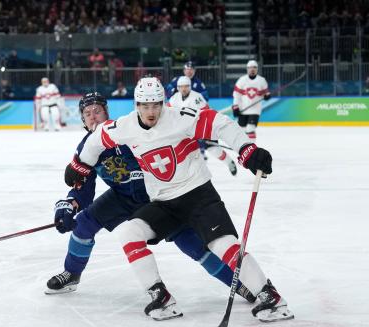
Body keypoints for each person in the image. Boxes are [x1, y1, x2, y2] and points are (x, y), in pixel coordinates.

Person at [65, 77, 293, 323]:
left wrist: (247, 149)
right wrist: (79, 165)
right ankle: (160, 296)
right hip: (163, 203)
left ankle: (271, 297)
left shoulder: (181, 118)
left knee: (222, 245)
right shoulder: (125, 127)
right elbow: (97, 139)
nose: (151, 112)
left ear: (163, 102)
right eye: (145, 105)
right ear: (136, 104)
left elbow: (221, 124)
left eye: (155, 105)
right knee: (129, 233)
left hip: (198, 195)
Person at [47, 92, 256, 305]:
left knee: (192, 245)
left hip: (156, 198)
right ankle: (71, 273)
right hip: (122, 197)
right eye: (87, 113)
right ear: (82, 119)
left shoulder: (125, 131)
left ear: (106, 113)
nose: (93, 116)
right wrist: (70, 205)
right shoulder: (87, 147)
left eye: (97, 111)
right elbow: (83, 187)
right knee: (83, 224)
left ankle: (239, 283)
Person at [169, 76, 237, 176]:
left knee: (215, 150)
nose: (183, 89)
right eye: (181, 87)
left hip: (202, 129)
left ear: (190, 86)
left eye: (186, 86)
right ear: (178, 88)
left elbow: (206, 114)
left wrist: (202, 133)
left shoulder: (197, 97)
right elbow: (169, 114)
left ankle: (229, 162)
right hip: (185, 132)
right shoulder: (174, 99)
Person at [232, 60, 271, 141]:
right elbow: (236, 95)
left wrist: (267, 96)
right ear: (247, 69)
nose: (252, 69)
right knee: (242, 131)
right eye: (250, 67)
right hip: (243, 109)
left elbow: (266, 93)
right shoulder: (241, 80)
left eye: (254, 67)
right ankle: (243, 149)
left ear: (257, 69)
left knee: (250, 129)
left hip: (255, 110)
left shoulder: (262, 80)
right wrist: (235, 107)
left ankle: (252, 149)